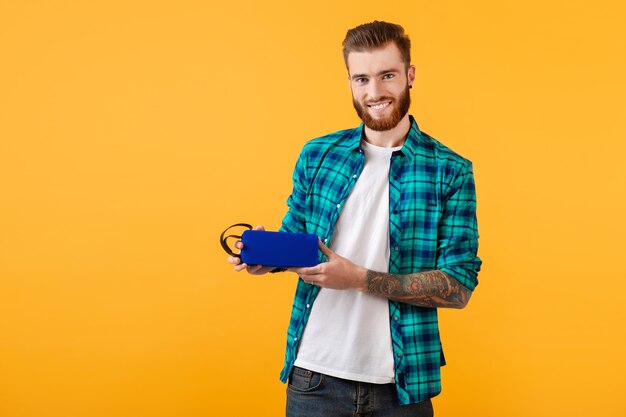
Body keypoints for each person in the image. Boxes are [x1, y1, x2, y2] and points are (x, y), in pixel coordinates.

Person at [227, 20, 481, 417]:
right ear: (349, 81)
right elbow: (300, 238)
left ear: (409, 75)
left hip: (403, 384)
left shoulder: (450, 171)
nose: (375, 92)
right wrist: (266, 258)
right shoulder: (318, 154)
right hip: (315, 377)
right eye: (362, 78)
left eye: (388, 75)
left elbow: (459, 285)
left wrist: (360, 279)